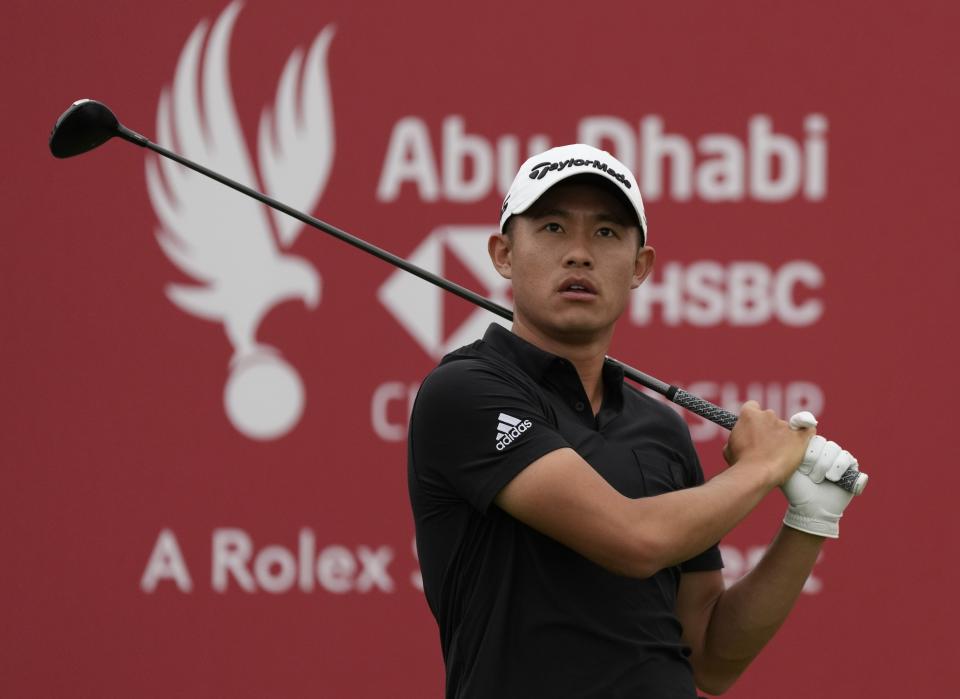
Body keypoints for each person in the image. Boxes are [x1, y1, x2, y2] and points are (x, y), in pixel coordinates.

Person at [407, 144, 860, 698]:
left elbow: (711, 660)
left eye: (605, 233)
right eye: (551, 227)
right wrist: (761, 468)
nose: (578, 253)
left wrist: (807, 525)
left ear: (640, 266)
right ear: (502, 254)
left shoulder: (660, 430)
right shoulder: (465, 391)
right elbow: (632, 539)